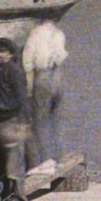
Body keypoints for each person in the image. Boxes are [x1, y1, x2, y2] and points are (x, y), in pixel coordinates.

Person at [0, 36, 32, 201]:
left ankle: (18, 200)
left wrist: (21, 121)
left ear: (10, 54)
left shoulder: (14, 71)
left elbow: (20, 99)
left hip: (10, 121)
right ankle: (3, 197)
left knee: (14, 165)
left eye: (2, 51)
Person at [22, 16, 68, 170]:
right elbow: (61, 55)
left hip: (43, 76)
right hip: (58, 76)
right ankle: (60, 157)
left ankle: (45, 160)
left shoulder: (35, 34)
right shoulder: (59, 33)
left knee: (39, 120)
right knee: (56, 118)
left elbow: (27, 62)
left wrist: (28, 88)